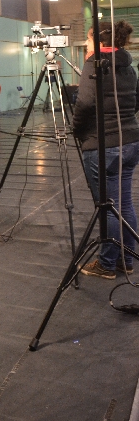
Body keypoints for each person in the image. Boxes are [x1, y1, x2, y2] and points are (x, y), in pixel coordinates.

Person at [73, 20, 139, 279]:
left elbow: (84, 103)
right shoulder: (128, 66)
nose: (87, 44)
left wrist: (77, 130)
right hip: (130, 141)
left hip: (104, 144)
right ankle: (126, 260)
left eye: (89, 39)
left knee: (108, 207)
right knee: (124, 204)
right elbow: (135, 100)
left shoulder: (95, 64)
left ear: (99, 41)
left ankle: (107, 264)